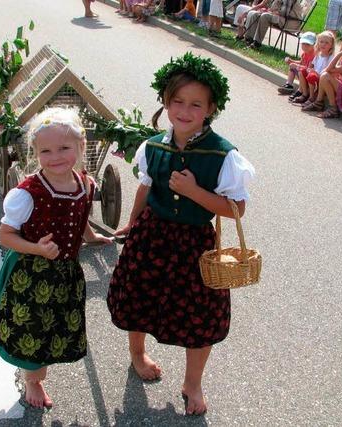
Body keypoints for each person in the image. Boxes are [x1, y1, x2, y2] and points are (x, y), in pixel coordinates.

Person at [107, 52, 255, 416]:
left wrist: (196, 194)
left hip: (194, 244)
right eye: (177, 101)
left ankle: (193, 382)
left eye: (195, 104)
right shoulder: (152, 146)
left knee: (200, 317)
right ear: (165, 102)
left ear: (211, 108)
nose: (185, 111)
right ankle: (137, 354)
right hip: (151, 237)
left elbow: (236, 209)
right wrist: (132, 222)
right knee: (139, 297)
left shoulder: (224, 155)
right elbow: (145, 188)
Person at [0, 108, 113, 409]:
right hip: (31, 274)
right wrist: (38, 248)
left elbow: (80, 215)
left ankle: (36, 373)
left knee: (54, 328)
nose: (55, 157)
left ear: (81, 146)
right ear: (35, 152)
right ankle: (33, 380)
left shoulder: (85, 183)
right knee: (33, 330)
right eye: (46, 151)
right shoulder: (27, 194)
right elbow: (5, 236)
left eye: (64, 148)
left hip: (66, 273)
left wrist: (91, 237)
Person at [240, 0, 310, 48]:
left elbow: (284, 13)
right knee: (256, 14)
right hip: (282, 18)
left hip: (290, 22)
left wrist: (271, 12)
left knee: (265, 16)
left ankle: (257, 43)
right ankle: (248, 39)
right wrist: (268, 11)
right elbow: (273, 9)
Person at [291, 30, 336, 104]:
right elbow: (311, 65)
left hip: (322, 78)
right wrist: (308, 69)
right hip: (314, 75)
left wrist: (314, 72)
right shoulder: (318, 54)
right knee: (301, 71)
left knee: (311, 75)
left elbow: (329, 70)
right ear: (318, 43)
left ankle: (311, 97)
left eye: (326, 43)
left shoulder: (331, 57)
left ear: (331, 45)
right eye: (321, 42)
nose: (323, 44)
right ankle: (305, 94)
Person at [277, 31, 317, 95]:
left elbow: (309, 69)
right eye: (303, 44)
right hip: (302, 73)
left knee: (300, 71)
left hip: (308, 77)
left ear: (314, 44)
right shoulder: (304, 53)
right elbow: (301, 62)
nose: (305, 46)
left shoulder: (313, 55)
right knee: (291, 66)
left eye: (308, 44)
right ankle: (289, 85)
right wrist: (291, 61)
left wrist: (297, 66)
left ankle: (301, 90)